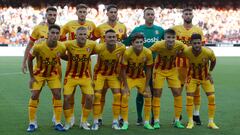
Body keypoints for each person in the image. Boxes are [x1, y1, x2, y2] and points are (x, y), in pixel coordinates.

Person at [123, 7, 164, 125]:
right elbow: (126, 43)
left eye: (152, 14)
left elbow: (166, 43)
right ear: (144, 16)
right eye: (148, 14)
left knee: (152, 92)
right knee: (141, 92)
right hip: (139, 67)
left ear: (154, 16)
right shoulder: (138, 29)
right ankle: (139, 117)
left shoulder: (160, 30)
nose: (150, 16)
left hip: (154, 67)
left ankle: (152, 117)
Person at [60, 3, 96, 126]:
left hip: (86, 66)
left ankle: (83, 120)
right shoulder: (69, 27)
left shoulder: (92, 26)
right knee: (69, 96)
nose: (82, 13)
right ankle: (70, 120)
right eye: (80, 11)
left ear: (87, 12)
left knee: (88, 96)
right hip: (72, 67)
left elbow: (98, 45)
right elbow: (60, 38)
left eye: (84, 11)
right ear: (76, 12)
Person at [92, 4, 127, 125]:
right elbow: (91, 41)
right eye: (111, 12)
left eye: (115, 12)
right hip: (102, 65)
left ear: (117, 14)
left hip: (117, 67)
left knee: (119, 93)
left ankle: (120, 118)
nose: (113, 14)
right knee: (101, 93)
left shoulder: (122, 27)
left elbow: (124, 43)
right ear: (106, 13)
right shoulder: (100, 27)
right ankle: (99, 118)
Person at [26, 25, 65, 132]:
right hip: (39, 74)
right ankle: (32, 123)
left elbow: (65, 56)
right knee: (34, 95)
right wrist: (31, 77)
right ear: (48, 34)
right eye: (52, 33)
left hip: (53, 74)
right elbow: (29, 60)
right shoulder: (39, 46)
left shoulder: (62, 46)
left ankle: (57, 121)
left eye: (57, 33)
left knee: (57, 94)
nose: (55, 35)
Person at [172, 7, 204, 125]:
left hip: (193, 66)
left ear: (193, 16)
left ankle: (196, 114)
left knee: (196, 91)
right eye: (186, 14)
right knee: (178, 91)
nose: (188, 15)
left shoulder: (198, 30)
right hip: (178, 66)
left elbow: (202, 48)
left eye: (190, 13)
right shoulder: (175, 29)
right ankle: (178, 115)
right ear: (182, 16)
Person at [149, 29, 186, 129]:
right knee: (157, 94)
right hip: (159, 70)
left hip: (172, 70)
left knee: (178, 93)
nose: (170, 40)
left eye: (172, 37)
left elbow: (187, 51)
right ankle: (156, 121)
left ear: (175, 38)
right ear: (164, 38)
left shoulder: (179, 44)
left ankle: (177, 121)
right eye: (168, 37)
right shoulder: (158, 45)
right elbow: (148, 52)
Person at [184, 34, 219, 129]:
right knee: (189, 98)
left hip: (205, 78)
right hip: (192, 78)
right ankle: (190, 121)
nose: (196, 45)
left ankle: (211, 122)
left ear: (201, 43)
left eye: (198, 43)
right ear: (191, 43)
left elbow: (214, 61)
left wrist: (210, 72)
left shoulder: (208, 52)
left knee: (212, 97)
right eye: (194, 43)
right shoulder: (186, 51)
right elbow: (178, 56)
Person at [120, 33, 154, 130]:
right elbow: (122, 70)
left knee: (148, 95)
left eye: (141, 42)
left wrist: (147, 85)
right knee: (125, 96)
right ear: (132, 43)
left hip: (140, 77)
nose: (139, 44)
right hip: (129, 77)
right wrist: (126, 86)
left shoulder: (148, 52)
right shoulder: (127, 53)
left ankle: (146, 122)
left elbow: (148, 70)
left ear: (143, 42)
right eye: (137, 42)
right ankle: (125, 122)